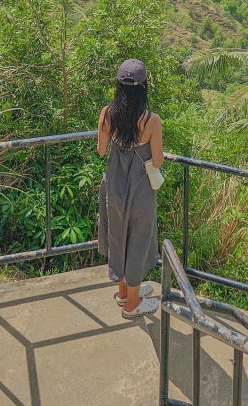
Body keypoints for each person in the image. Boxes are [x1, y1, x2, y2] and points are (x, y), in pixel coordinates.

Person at [97, 58, 164, 318]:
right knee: (138, 238)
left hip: (114, 184)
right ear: (143, 88)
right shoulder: (151, 120)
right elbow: (157, 161)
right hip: (139, 188)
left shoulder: (107, 113)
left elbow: (101, 151)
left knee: (118, 234)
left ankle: (125, 292)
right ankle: (133, 304)